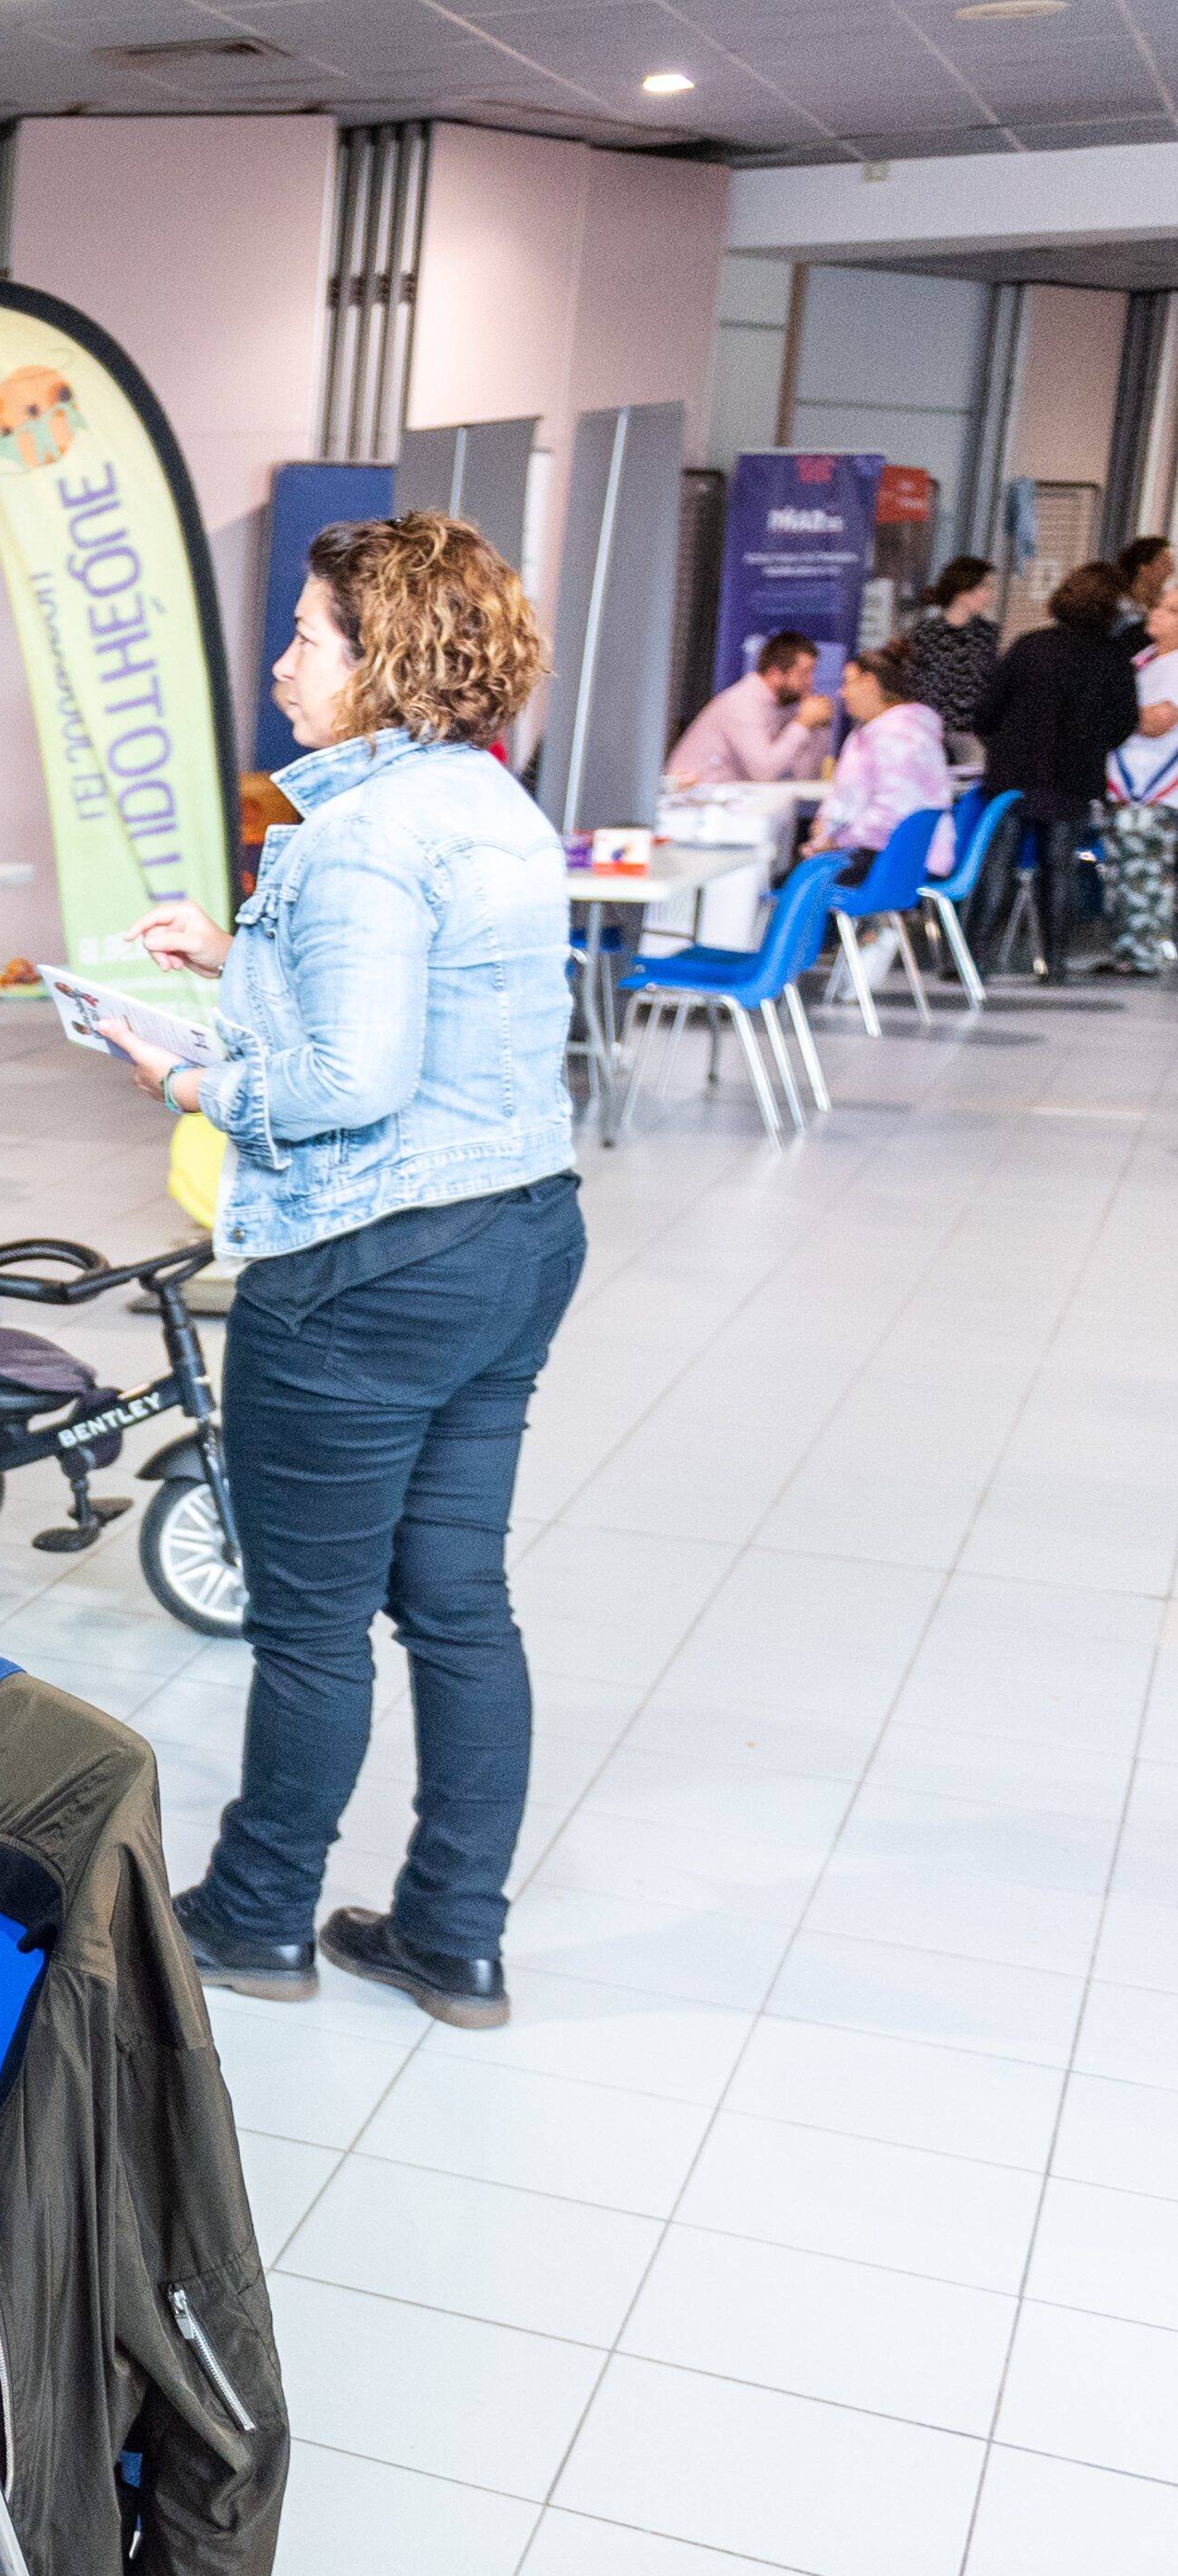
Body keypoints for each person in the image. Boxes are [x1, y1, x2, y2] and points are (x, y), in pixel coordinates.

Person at [93, 511, 579, 2031]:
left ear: (380, 665)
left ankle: (250, 1915)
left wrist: (183, 1081)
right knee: (454, 1597)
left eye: (304, 635)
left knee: (306, 1620)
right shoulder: (487, 805)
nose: (278, 659)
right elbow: (418, 1020)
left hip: (362, 1263)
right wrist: (232, 963)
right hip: (510, 1234)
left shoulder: (352, 837)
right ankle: (450, 1933)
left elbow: (348, 1083)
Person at [975, 560, 1149, 980]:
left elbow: (986, 711)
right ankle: (1054, 962)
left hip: (1013, 776)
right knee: (1060, 868)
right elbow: (1125, 720)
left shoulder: (1030, 645)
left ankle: (975, 958)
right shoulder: (1113, 659)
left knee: (999, 863)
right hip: (1073, 777)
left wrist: (1003, 745)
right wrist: (1091, 744)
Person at [807, 644, 955, 866]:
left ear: (869, 683)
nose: (841, 692)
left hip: (894, 864)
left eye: (847, 682)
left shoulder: (898, 737)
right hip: (891, 856)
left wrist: (836, 841)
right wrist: (825, 830)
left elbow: (891, 813)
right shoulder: (881, 731)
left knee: (784, 882)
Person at [1098, 590, 1178, 978]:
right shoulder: (1142, 661)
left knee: (1146, 872)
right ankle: (1125, 949)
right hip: (1123, 785)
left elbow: (1158, 721)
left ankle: (1144, 951)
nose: (1158, 614)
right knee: (1121, 872)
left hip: (1155, 789)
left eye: (1171, 610)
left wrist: (1113, 711)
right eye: (1160, 605)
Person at [664, 629, 836, 789]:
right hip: (693, 805)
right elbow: (764, 772)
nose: (810, 683)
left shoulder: (781, 707)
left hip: (725, 805)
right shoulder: (742, 703)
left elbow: (804, 776)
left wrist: (819, 727)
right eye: (804, 673)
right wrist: (803, 723)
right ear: (775, 674)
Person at [893, 555, 1005, 735]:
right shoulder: (925, 633)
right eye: (985, 586)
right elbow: (911, 683)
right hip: (926, 733)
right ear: (963, 589)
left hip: (973, 737)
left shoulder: (990, 635)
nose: (991, 594)